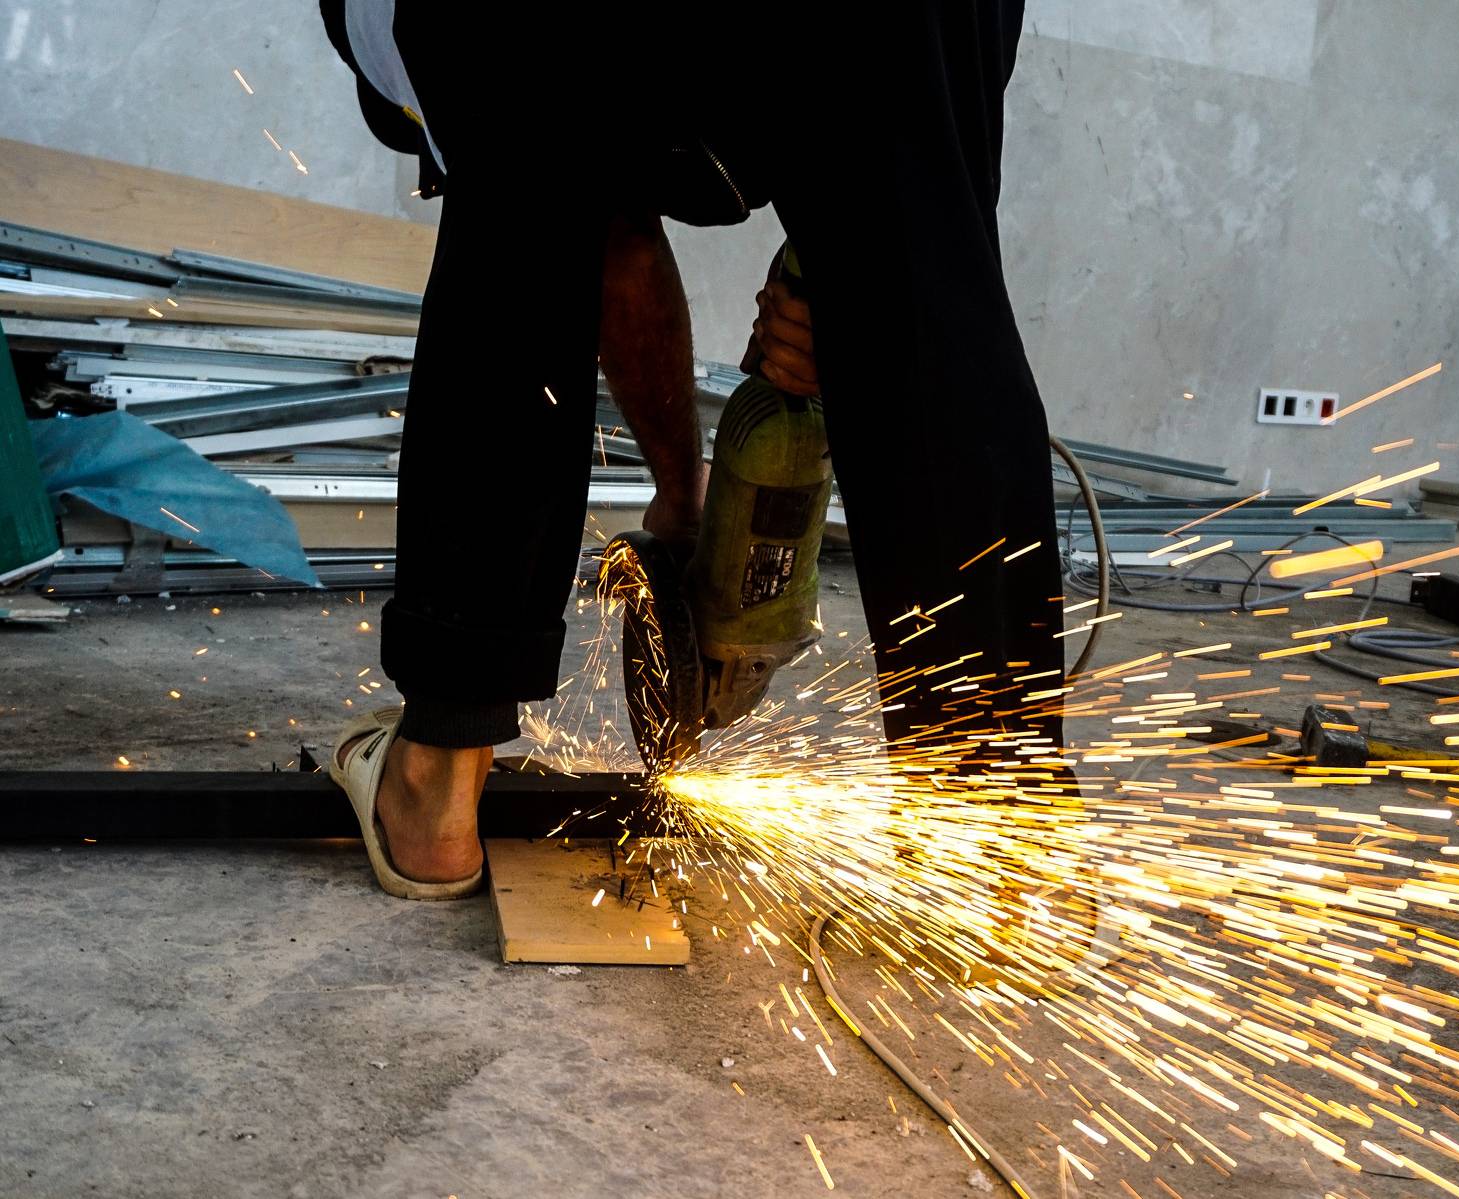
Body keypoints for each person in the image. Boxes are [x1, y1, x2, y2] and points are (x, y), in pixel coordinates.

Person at [323, 3, 1064, 898]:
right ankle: (991, 849)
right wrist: (832, 283)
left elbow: (583, 229)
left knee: (517, 236)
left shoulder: (376, 22)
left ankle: (436, 790)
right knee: (934, 287)